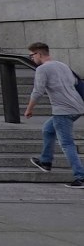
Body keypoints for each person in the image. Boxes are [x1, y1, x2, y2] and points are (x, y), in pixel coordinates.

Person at [25, 42, 84, 187]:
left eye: (31, 55)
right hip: (77, 107)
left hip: (63, 111)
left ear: (38, 54)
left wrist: (29, 109)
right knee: (48, 129)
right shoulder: (62, 65)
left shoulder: (42, 69)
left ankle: (81, 177)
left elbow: (38, 91)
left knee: (67, 144)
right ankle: (45, 161)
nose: (31, 58)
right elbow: (75, 82)